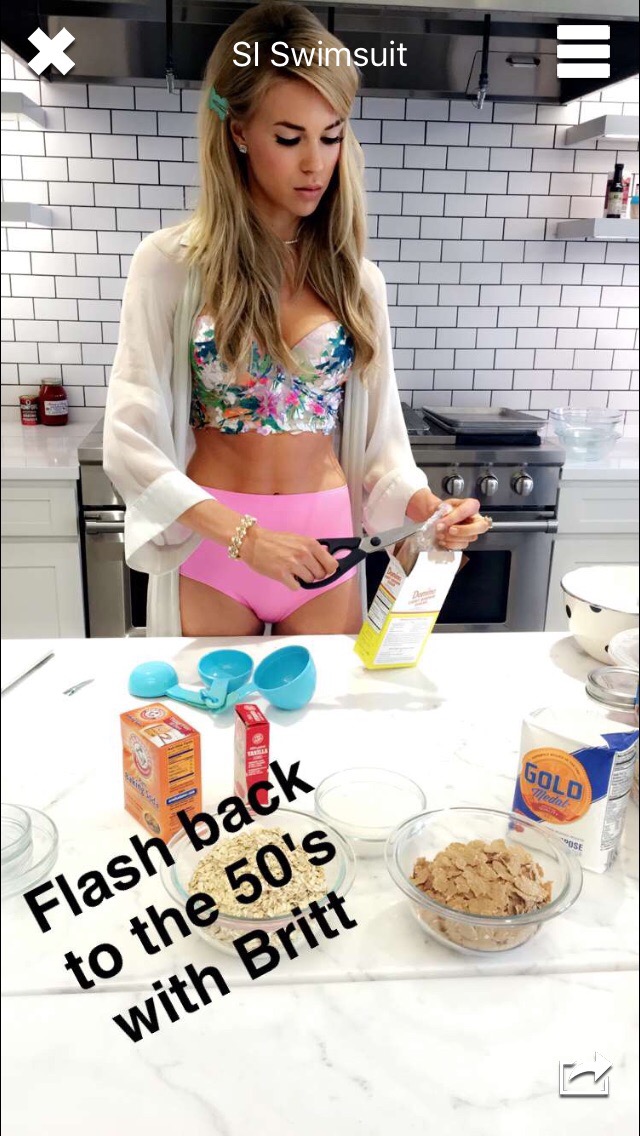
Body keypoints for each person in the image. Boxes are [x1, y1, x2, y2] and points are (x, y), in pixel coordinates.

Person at [103, 1, 490, 638]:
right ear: (238, 131)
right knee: (213, 701)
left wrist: (428, 510)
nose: (315, 163)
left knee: (328, 706)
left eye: (331, 136)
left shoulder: (358, 281)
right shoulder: (170, 264)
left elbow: (381, 446)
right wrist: (245, 537)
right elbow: (129, 436)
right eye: (289, 139)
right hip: (217, 543)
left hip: (327, 545)